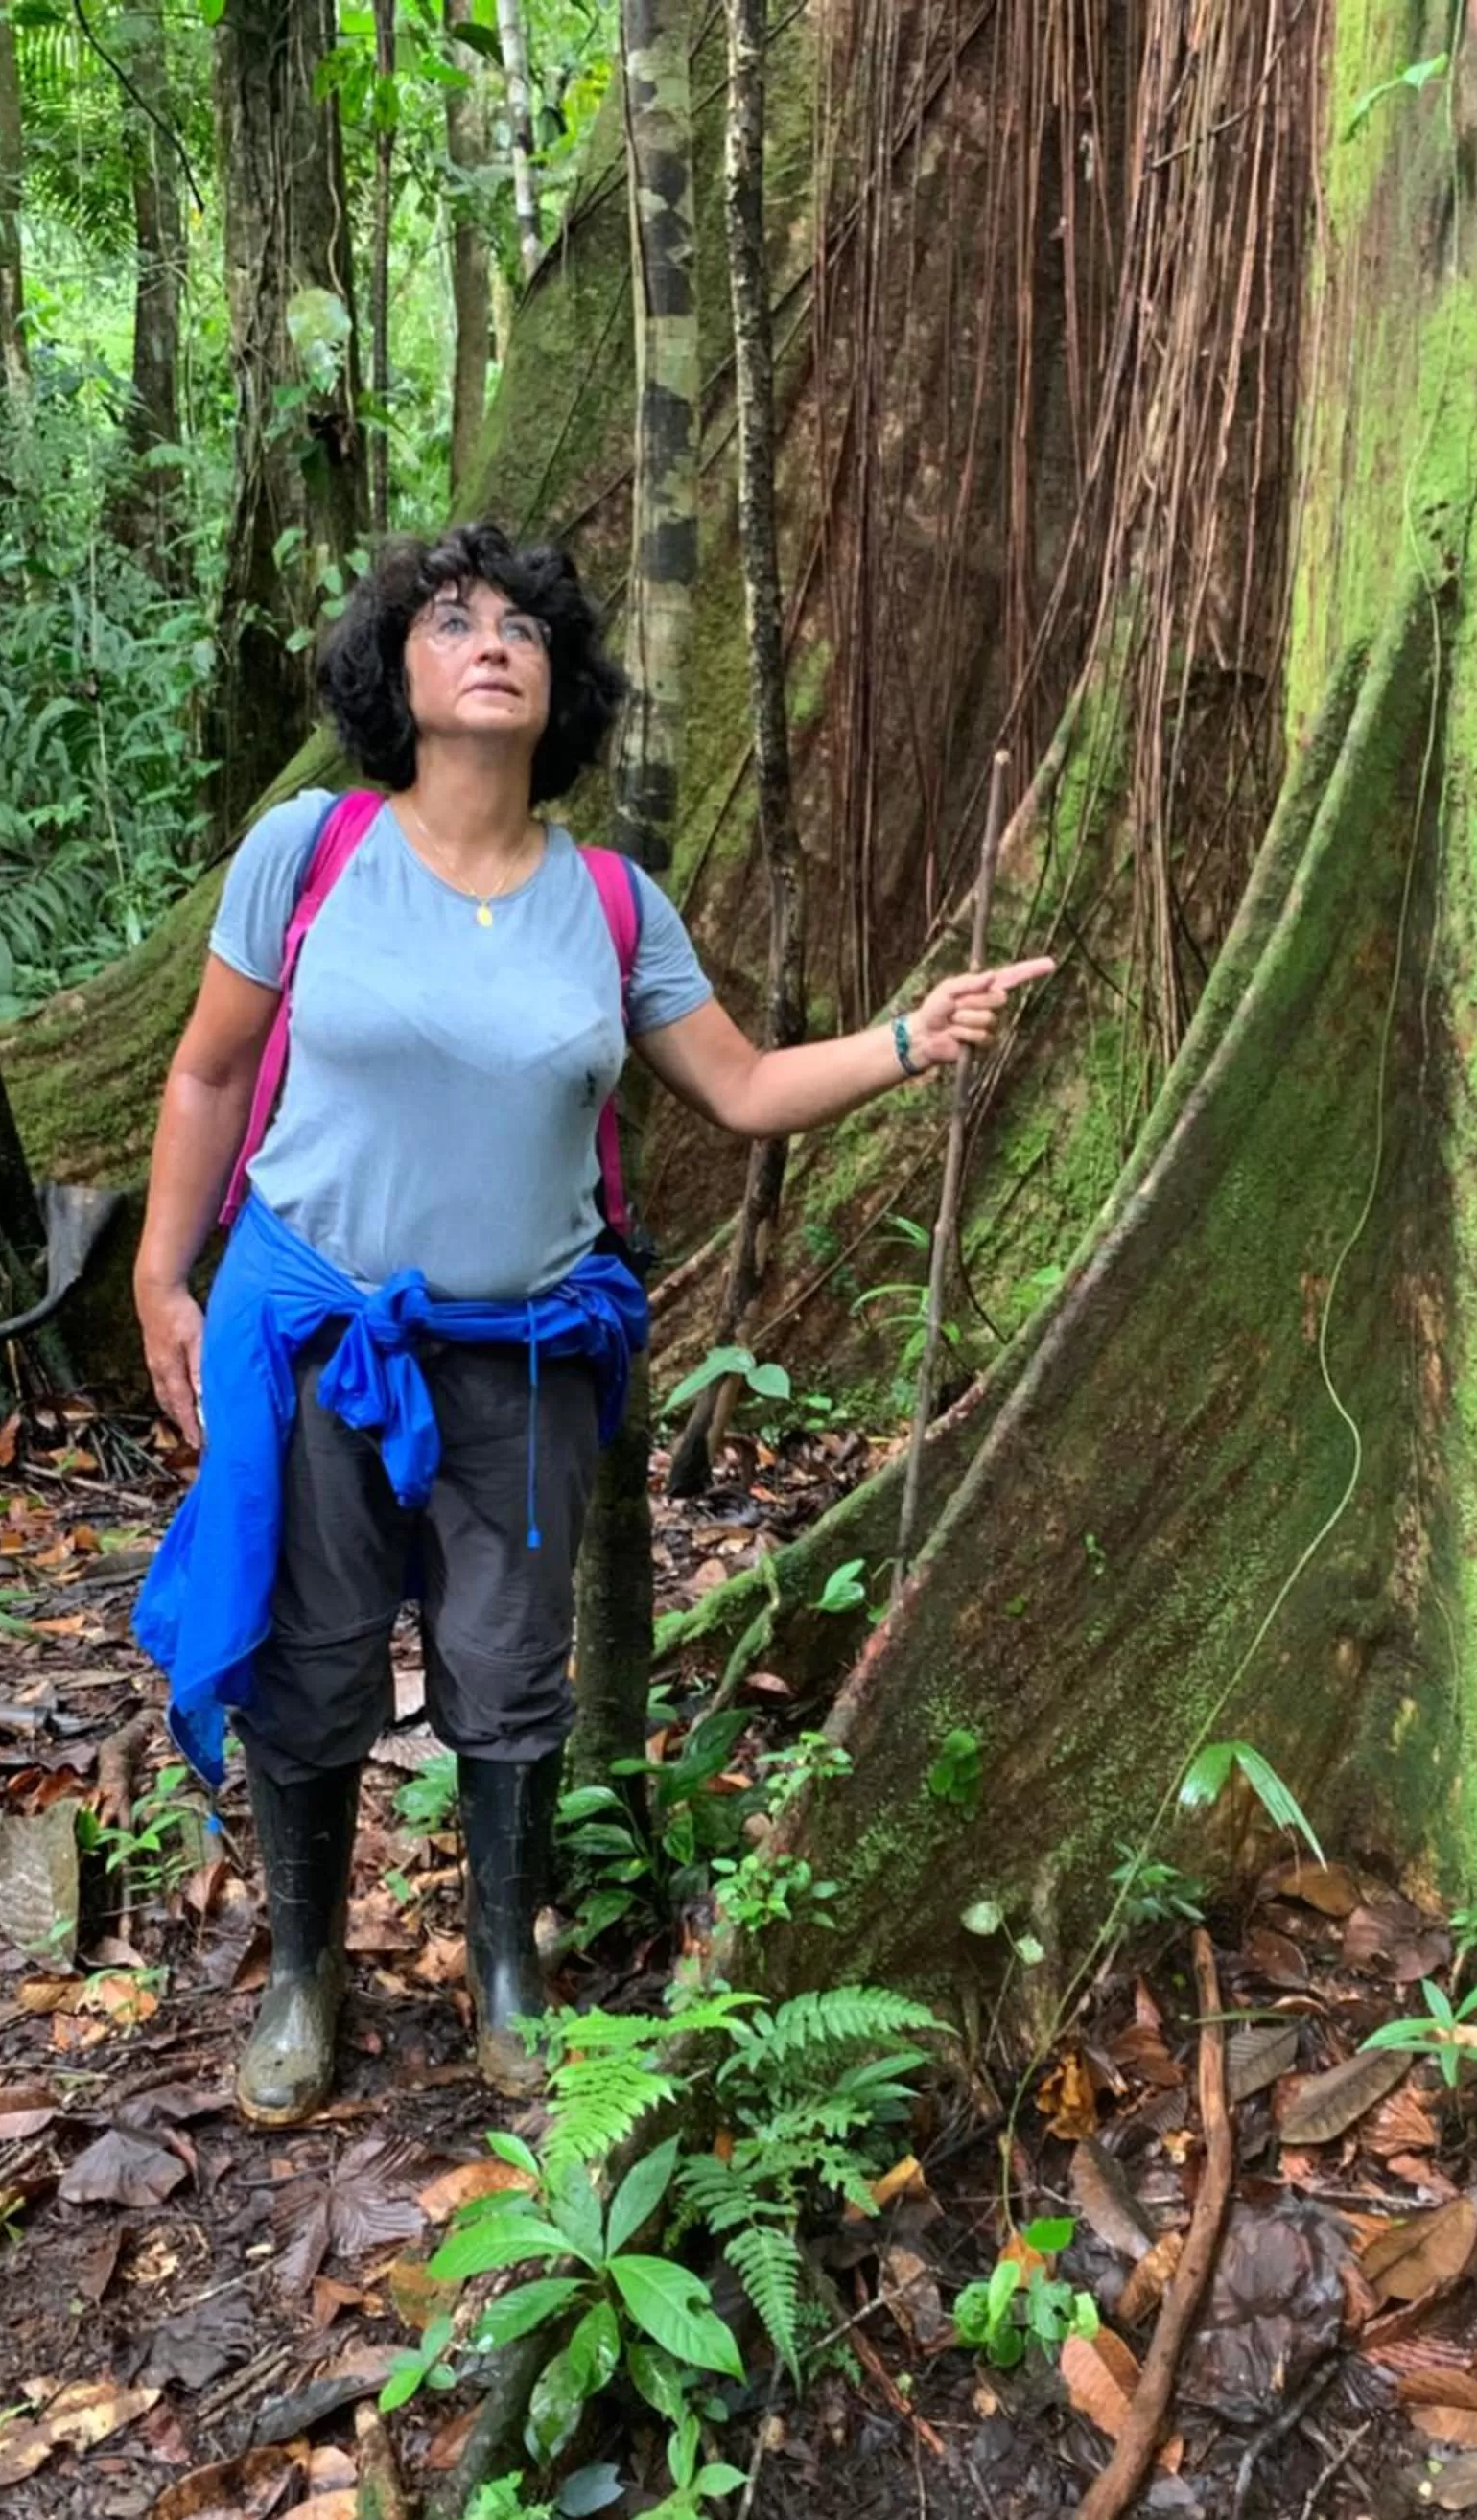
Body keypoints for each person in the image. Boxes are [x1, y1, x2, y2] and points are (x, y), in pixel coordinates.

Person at [130, 519, 1048, 2129]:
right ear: (394, 672)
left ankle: (507, 1970)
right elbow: (208, 1074)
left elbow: (744, 1087)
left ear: (561, 687)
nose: (491, 642)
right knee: (311, 1656)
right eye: (450, 619)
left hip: (530, 1354)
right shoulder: (309, 852)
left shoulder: (612, 904)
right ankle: (303, 1974)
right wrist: (159, 1278)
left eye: (522, 628)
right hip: (313, 1336)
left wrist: (911, 1037)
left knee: (505, 1668)